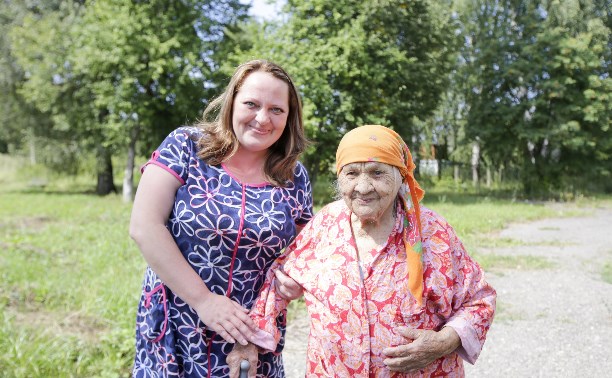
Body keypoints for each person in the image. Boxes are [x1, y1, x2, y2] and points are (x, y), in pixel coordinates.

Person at [227, 124, 497, 377]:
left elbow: (479, 300)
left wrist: (443, 341)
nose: (363, 187)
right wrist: (248, 343)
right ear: (339, 177)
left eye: (377, 172)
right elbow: (278, 285)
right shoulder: (325, 225)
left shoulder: (434, 232)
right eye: (352, 173)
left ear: (400, 175)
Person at [129, 59, 314, 377]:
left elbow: (301, 255)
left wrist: (297, 280)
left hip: (250, 335)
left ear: (289, 117)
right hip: (178, 324)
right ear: (231, 104)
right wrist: (204, 301)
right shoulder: (187, 146)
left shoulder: (294, 177)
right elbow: (145, 226)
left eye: (276, 109)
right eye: (251, 104)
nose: (262, 118)